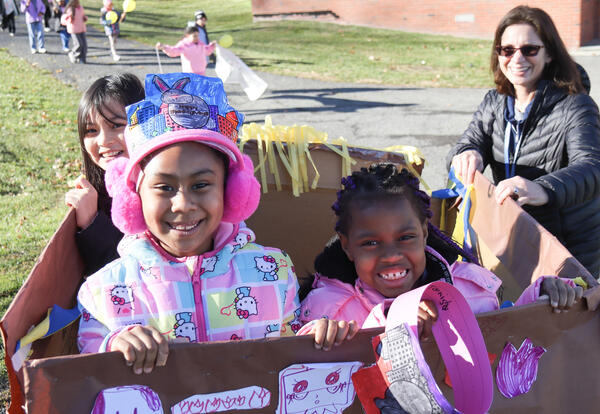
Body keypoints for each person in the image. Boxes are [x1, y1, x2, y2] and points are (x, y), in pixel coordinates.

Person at [77, 73, 302, 375]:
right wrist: (113, 346)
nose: (183, 204)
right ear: (133, 198)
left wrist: (318, 334)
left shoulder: (276, 272)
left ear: (232, 192)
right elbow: (83, 372)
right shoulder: (102, 291)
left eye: (201, 185)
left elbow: (295, 355)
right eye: (165, 188)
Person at [299, 164, 583, 350]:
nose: (391, 256)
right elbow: (288, 360)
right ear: (347, 247)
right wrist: (320, 334)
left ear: (424, 233)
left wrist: (541, 295)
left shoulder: (469, 289)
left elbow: (503, 341)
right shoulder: (330, 307)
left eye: (405, 237)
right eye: (371, 243)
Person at [447, 5, 600, 276]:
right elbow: (467, 143)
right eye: (507, 50)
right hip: (513, 236)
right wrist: (467, 153)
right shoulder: (495, 102)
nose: (517, 59)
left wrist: (543, 189)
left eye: (529, 49)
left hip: (565, 249)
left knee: (556, 318)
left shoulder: (576, 105)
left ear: (550, 53)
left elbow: (592, 166)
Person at [65, 73, 144, 276]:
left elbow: (135, 274)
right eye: (91, 130)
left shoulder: (162, 190)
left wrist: (92, 223)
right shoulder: (95, 195)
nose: (103, 141)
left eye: (116, 125)